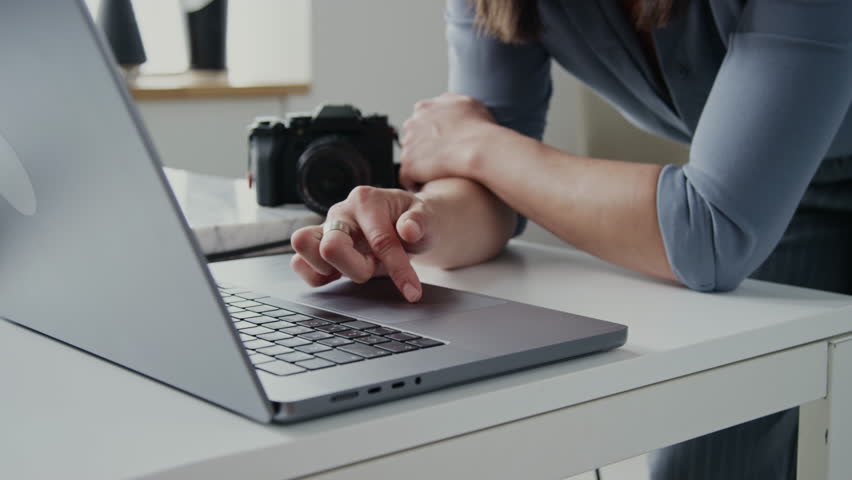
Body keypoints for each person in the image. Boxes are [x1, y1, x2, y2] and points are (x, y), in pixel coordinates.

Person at [289, 0, 852, 478]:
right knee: (705, 451)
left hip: (764, 205)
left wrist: (483, 147)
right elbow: (492, 193)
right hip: (777, 200)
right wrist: (412, 224)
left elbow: (712, 233)